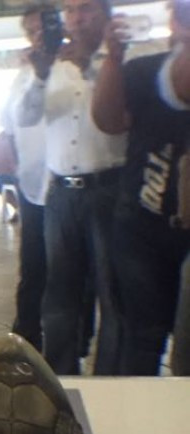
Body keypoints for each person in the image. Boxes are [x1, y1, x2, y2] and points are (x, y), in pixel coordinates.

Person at [19, 0, 126, 375]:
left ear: (105, 16)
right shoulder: (48, 67)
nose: (76, 19)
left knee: (113, 293)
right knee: (60, 295)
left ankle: (111, 381)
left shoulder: (121, 62)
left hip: (110, 189)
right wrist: (40, 74)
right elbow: (24, 117)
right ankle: (61, 379)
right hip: (62, 194)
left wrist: (100, 62)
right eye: (70, 10)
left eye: (86, 9)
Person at [91, 7, 190, 375]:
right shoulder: (143, 72)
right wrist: (112, 58)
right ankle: (134, 408)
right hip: (140, 226)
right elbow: (108, 121)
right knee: (142, 337)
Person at [0, 5, 54, 352]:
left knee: (71, 272)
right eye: (31, 31)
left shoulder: (73, 65)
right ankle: (25, 339)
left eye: (43, 29)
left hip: (67, 185)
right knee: (32, 267)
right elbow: (8, 120)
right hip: (32, 187)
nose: (38, 37)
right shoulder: (23, 76)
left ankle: (69, 342)